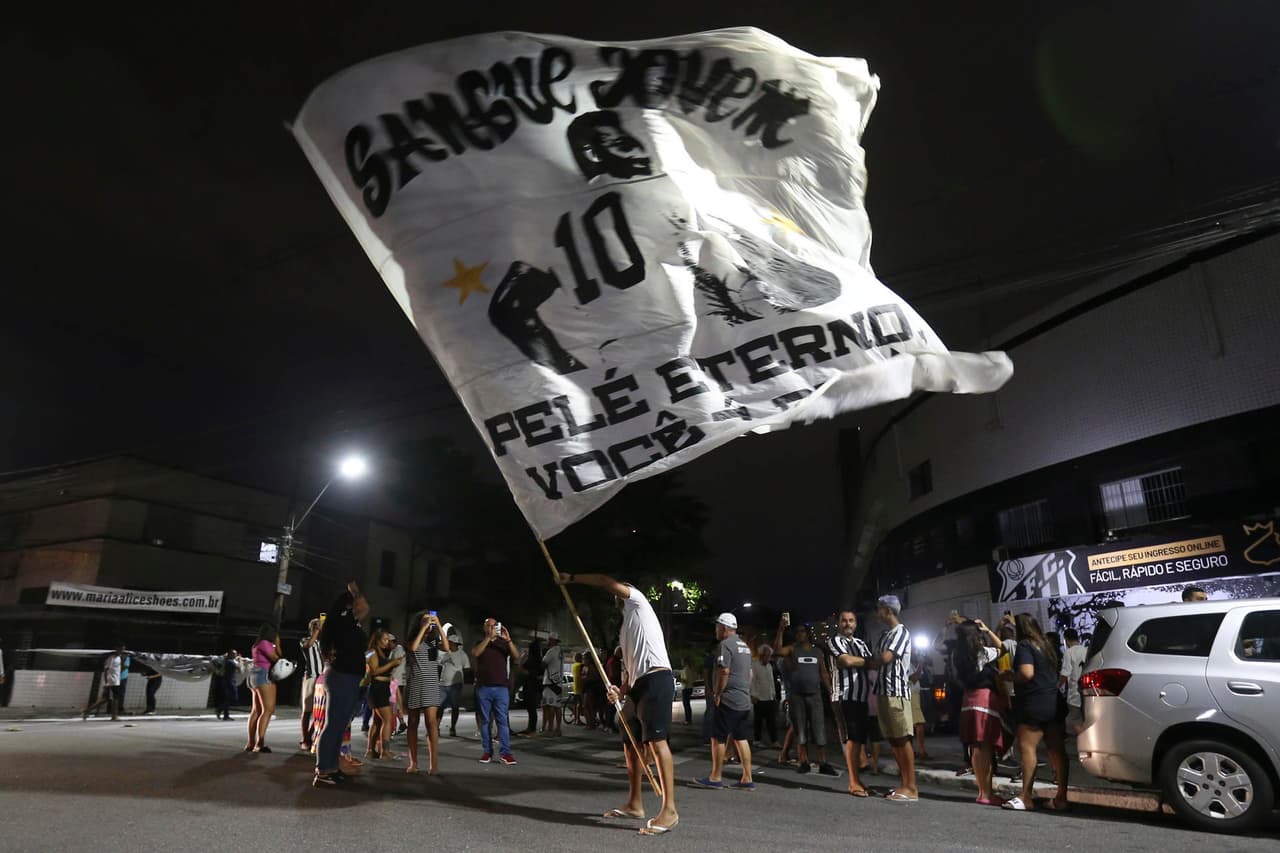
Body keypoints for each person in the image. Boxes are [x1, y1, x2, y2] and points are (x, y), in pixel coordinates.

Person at [556, 571, 679, 836]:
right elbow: (630, 670)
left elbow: (604, 580)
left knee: (657, 743)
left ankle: (669, 810)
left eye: (618, 592)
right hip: (638, 686)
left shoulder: (638, 602)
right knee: (630, 743)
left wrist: (571, 578)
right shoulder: (626, 628)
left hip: (656, 679)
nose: (615, 595)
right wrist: (619, 691)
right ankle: (635, 803)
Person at [1003, 614, 1069, 812]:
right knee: (1057, 750)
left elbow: (1027, 673)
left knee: (1027, 748)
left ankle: (1025, 797)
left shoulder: (1025, 646)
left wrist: (1010, 676)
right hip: (1054, 702)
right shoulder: (1047, 645)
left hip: (1034, 703)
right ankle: (1062, 798)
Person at [314, 582, 370, 787]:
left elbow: (363, 610)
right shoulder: (342, 621)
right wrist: (355, 592)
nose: (360, 607)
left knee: (339, 726)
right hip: (342, 677)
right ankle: (323, 770)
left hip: (347, 677)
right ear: (349, 606)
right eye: (355, 603)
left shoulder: (347, 623)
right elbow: (365, 607)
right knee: (333, 725)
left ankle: (331, 767)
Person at [693, 612, 756, 792]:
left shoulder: (724, 645)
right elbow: (750, 674)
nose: (716, 630)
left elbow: (724, 671)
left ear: (724, 627)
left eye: (717, 626)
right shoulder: (745, 647)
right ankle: (747, 777)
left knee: (717, 737)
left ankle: (715, 777)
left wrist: (718, 693)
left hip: (729, 700)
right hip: (744, 700)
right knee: (741, 738)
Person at [952, 618, 1010, 806]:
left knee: (976, 748)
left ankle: (982, 791)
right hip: (983, 701)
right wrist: (987, 630)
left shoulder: (957, 654)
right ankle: (986, 794)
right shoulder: (981, 653)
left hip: (968, 700)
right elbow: (1003, 648)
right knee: (984, 747)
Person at [773, 617, 836, 775]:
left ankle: (823, 763)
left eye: (802, 631)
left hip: (814, 696)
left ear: (808, 634)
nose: (799, 634)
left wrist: (831, 691)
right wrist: (781, 629)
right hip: (797, 696)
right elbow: (777, 651)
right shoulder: (792, 649)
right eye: (797, 632)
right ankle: (804, 762)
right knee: (800, 731)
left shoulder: (817, 652)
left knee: (819, 730)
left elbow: (823, 673)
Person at [874, 595, 919, 802]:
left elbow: (884, 658)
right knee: (893, 740)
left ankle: (911, 787)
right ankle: (904, 784)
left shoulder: (901, 632)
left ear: (888, 610)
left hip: (896, 692)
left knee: (902, 739)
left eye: (880, 609)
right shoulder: (885, 634)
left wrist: (858, 661)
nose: (878, 613)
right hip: (883, 691)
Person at [827, 609, 874, 797]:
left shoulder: (861, 643)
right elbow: (845, 661)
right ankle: (853, 783)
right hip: (845, 696)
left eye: (851, 620)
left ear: (856, 623)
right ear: (839, 623)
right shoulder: (835, 641)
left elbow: (870, 663)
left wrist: (862, 661)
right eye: (844, 621)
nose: (848, 624)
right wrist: (866, 661)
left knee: (859, 740)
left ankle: (859, 781)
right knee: (851, 741)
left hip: (862, 698)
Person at [406, 611, 450, 774]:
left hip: (431, 684)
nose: (428, 622)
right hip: (416, 683)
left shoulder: (434, 642)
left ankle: (434, 765)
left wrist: (438, 624)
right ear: (419, 622)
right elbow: (414, 647)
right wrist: (423, 629)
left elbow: (447, 648)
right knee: (413, 721)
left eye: (430, 620)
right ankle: (413, 763)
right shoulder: (413, 639)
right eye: (425, 620)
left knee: (431, 723)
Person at [472, 618, 519, 765]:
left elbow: (517, 656)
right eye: (489, 626)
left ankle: (505, 753)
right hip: (483, 687)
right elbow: (476, 653)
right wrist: (488, 638)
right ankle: (487, 752)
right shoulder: (481, 642)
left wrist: (509, 640)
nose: (492, 628)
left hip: (501, 688)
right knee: (485, 721)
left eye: (495, 626)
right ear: (485, 627)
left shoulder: (503, 643)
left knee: (502, 721)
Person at [246, 624, 280, 753]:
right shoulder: (266, 643)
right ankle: (259, 743)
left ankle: (251, 742)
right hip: (263, 675)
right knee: (268, 710)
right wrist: (277, 644)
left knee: (256, 710)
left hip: (254, 675)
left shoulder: (257, 644)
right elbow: (277, 658)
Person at [438, 625, 468, 737]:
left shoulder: (462, 655)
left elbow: (467, 668)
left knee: (455, 706)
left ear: (455, 644)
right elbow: (439, 665)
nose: (448, 644)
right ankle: (436, 727)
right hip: (442, 684)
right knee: (439, 707)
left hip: (455, 684)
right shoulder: (446, 653)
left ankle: (453, 727)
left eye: (450, 642)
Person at [83, 644, 125, 721]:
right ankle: (114, 716)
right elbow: (106, 670)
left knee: (106, 699)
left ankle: (87, 711)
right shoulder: (111, 658)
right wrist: (106, 682)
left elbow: (119, 669)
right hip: (111, 681)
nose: (122, 651)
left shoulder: (119, 658)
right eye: (121, 649)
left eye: (123, 649)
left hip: (116, 681)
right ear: (116, 648)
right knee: (114, 699)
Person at [1058, 628, 1087, 736]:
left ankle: (1085, 741)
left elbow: (1065, 673)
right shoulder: (1087, 650)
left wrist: (1057, 686)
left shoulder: (1068, 653)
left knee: (1073, 721)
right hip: (1086, 692)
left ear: (1066, 639)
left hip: (1074, 693)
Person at [300, 617, 324, 750]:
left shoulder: (323, 643)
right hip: (311, 677)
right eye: (315, 626)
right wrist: (315, 632)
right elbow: (307, 646)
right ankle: (305, 739)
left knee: (319, 711)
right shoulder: (305, 640)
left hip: (323, 678)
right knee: (307, 710)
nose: (319, 627)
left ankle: (309, 736)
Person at [750, 645, 779, 746]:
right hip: (759, 697)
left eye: (769, 656)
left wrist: (774, 694)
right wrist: (753, 695)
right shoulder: (754, 666)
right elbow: (752, 681)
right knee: (758, 721)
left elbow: (771, 681)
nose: (768, 658)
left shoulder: (769, 666)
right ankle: (757, 740)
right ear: (761, 655)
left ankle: (774, 740)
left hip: (769, 697)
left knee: (771, 721)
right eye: (766, 655)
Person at [541, 633, 565, 736]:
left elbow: (543, 663)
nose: (548, 641)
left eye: (549, 640)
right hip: (558, 682)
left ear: (552, 640)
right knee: (557, 707)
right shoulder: (560, 651)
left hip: (550, 682)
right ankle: (558, 729)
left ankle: (549, 729)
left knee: (549, 706)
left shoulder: (551, 651)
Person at [519, 637, 544, 737]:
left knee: (531, 708)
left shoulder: (532, 659)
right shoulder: (539, 659)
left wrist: (522, 659)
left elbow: (523, 669)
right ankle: (530, 728)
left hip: (531, 685)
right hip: (534, 685)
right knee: (531, 708)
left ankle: (531, 728)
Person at [213, 650, 239, 720]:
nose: (235, 655)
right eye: (234, 654)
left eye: (236, 654)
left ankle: (225, 715)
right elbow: (240, 669)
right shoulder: (230, 662)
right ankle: (219, 709)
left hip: (228, 681)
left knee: (227, 699)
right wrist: (240, 660)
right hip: (229, 682)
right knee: (233, 698)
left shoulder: (227, 661)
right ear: (230, 655)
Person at [679, 657, 698, 726]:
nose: (681, 663)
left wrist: (680, 679)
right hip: (690, 687)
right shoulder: (690, 669)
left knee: (686, 705)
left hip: (686, 688)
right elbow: (694, 678)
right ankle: (688, 719)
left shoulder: (685, 670)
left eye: (682, 661)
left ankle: (688, 720)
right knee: (687, 704)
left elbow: (685, 680)